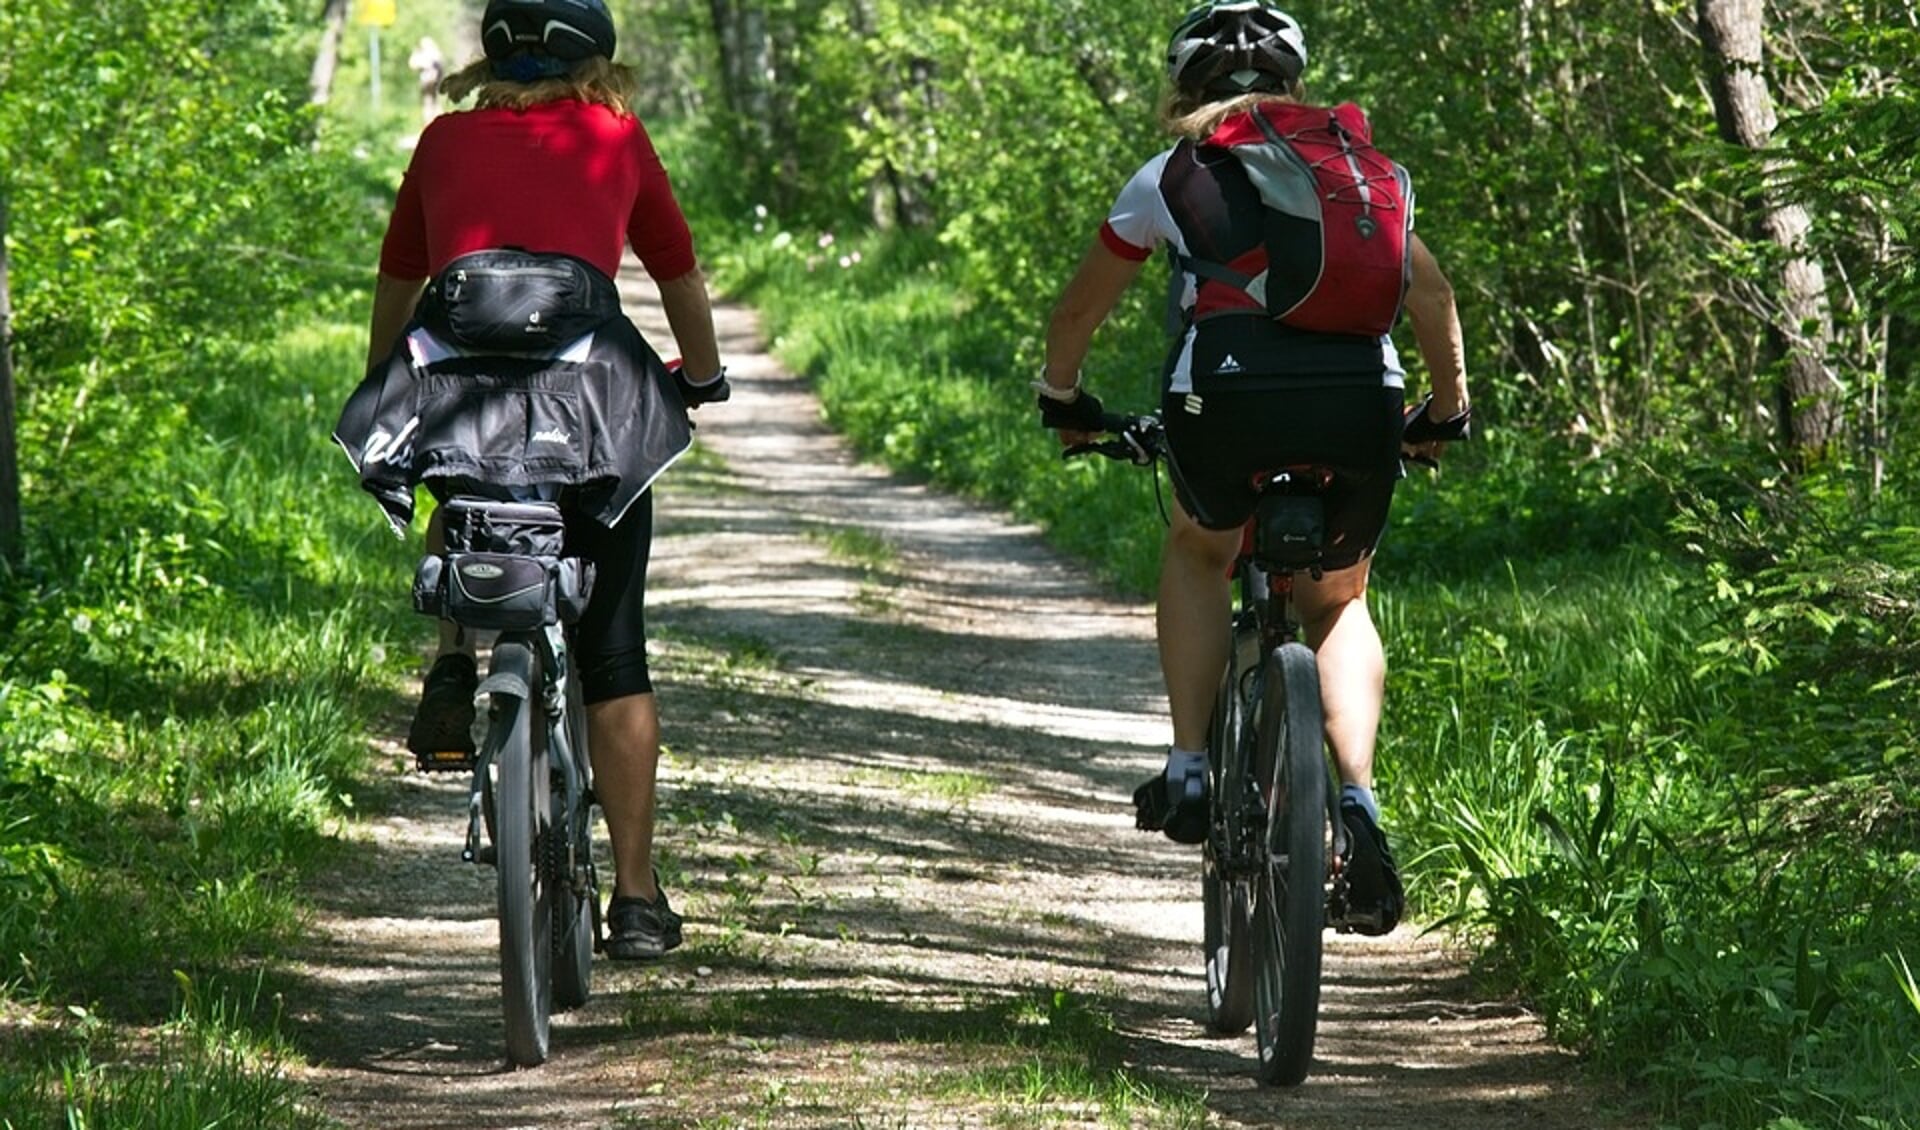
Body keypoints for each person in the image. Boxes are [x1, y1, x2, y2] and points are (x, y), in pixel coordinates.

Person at [1035, 0, 1471, 935]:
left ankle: (1191, 767)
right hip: (1361, 402)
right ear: (1293, 84)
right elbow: (1429, 292)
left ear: (1183, 88)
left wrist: (1063, 401)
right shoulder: (1358, 170)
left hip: (1225, 404)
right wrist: (1445, 413)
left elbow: (1077, 315)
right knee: (1339, 601)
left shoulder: (1170, 175)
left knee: (1200, 548)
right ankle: (1358, 802)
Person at [361, 0, 728, 960]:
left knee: (456, 477)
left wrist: (385, 383)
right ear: (594, 60)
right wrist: (703, 377)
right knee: (615, 653)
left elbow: (401, 286)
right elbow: (678, 274)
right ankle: (639, 899)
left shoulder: (444, 142)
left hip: (461, 401)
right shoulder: (614, 135)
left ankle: (453, 655)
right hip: (595, 413)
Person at [408, 35, 446, 122]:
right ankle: (436, 123)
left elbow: (412, 64)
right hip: (433, 81)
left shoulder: (424, 54)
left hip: (429, 81)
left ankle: (431, 123)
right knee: (433, 102)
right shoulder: (435, 53)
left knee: (429, 103)